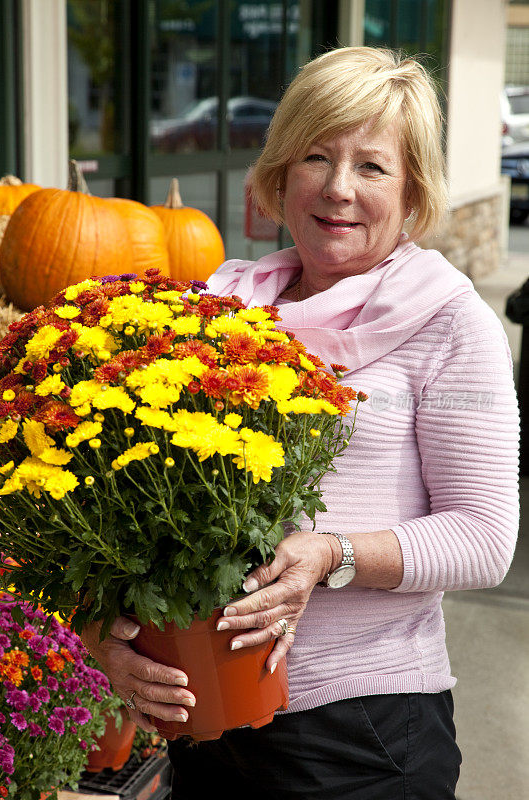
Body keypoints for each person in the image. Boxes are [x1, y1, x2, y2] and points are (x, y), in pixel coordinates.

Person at [81, 47, 520, 799]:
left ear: (412, 191)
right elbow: (133, 519)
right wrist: (108, 642)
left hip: (363, 740)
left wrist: (330, 553)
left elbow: (483, 538)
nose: (338, 189)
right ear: (279, 174)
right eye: (316, 156)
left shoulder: (450, 325)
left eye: (372, 167)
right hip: (209, 729)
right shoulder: (218, 312)